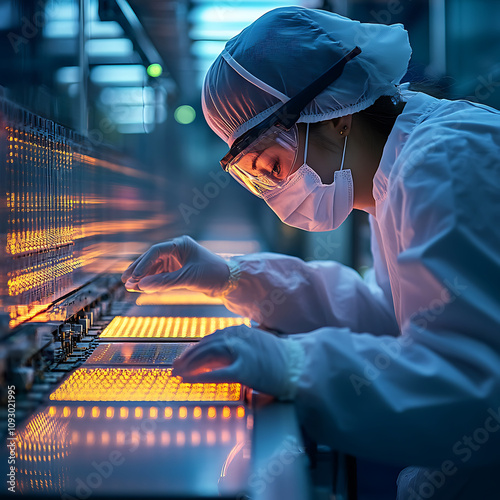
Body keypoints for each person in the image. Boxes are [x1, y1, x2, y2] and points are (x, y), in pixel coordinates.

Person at [122, 7, 500, 499]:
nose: (277, 191)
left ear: (337, 116)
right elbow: (390, 314)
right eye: (258, 177)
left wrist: (295, 366)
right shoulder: (395, 178)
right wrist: (231, 278)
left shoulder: (444, 162)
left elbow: (473, 387)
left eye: (274, 165)